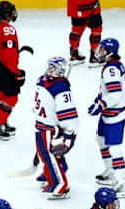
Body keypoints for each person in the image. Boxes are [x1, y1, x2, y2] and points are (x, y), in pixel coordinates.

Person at [89, 38, 125, 196]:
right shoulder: (112, 66)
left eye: (103, 49)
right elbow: (107, 91)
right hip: (109, 112)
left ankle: (121, 182)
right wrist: (98, 101)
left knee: (114, 147)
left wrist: (100, 105)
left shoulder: (110, 69)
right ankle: (111, 170)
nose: (100, 52)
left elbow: (115, 94)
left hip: (116, 113)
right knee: (101, 139)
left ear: (110, 52)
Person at [34, 56, 78, 200]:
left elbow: (67, 111)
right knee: (44, 154)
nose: (50, 69)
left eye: (53, 67)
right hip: (41, 122)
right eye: (49, 66)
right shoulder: (43, 79)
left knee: (49, 154)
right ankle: (52, 173)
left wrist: (69, 132)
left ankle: (60, 184)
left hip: (50, 127)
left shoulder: (61, 88)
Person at [0, 1, 24, 140]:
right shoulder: (8, 29)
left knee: (1, 95)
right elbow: (9, 54)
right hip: (6, 67)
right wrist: (16, 71)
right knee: (11, 97)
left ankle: (2, 122)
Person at [66, 0, 103, 66]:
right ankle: (94, 55)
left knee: (77, 29)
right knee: (96, 29)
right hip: (88, 5)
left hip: (76, 6)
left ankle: (74, 53)